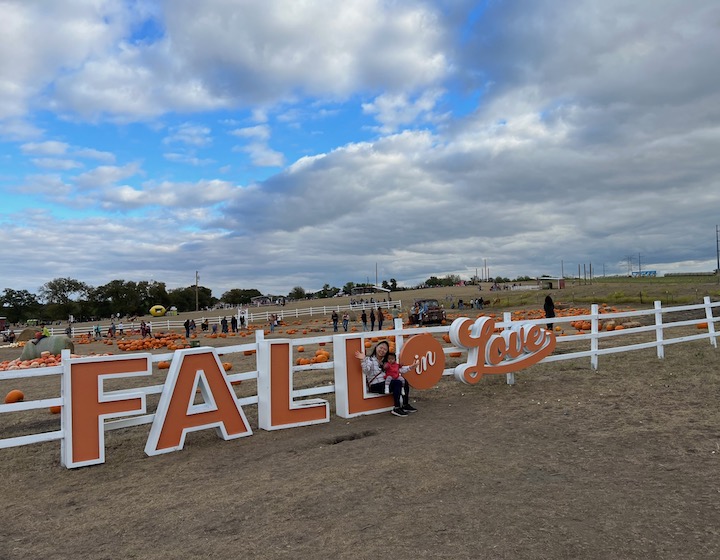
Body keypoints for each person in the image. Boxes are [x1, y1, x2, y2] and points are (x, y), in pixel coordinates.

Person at [355, 340, 417, 417]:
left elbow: (397, 369)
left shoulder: (387, 362)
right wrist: (363, 359)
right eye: (381, 347)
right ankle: (396, 408)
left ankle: (405, 405)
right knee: (397, 382)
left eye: (385, 349)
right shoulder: (369, 359)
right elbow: (366, 371)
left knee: (404, 381)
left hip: (386, 384)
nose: (382, 350)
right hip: (375, 385)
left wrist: (411, 367)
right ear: (376, 347)